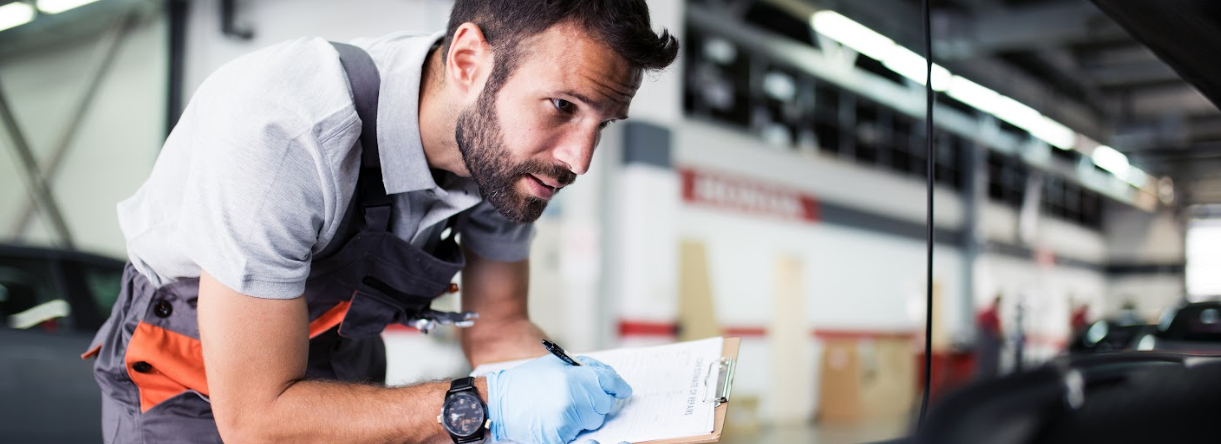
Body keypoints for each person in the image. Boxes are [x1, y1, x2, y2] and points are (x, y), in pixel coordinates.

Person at [83, 1, 678, 443]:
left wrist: (590, 406)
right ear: (468, 61)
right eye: (563, 106)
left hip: (344, 360)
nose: (579, 159)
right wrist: (486, 403)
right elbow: (257, 420)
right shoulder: (286, 131)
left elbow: (498, 328)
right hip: (195, 380)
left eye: (603, 124)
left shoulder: (510, 163)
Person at [975, 294, 1003, 378]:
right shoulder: (991, 314)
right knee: (990, 366)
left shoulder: (989, 313)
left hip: (986, 344)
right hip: (989, 345)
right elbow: (996, 331)